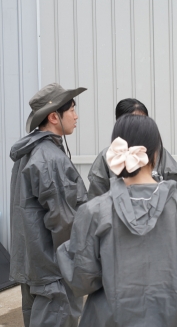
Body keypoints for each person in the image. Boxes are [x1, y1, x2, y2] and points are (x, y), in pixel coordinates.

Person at [56, 114, 177, 327]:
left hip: (107, 319)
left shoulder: (94, 211)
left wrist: (64, 251)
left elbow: (81, 279)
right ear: (156, 152)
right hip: (171, 317)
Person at [9, 83, 87, 327]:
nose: (76, 116)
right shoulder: (50, 158)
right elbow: (64, 221)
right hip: (54, 272)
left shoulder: (30, 151)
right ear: (54, 117)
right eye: (72, 109)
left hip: (33, 268)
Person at [87, 98, 177, 199]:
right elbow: (97, 193)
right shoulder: (107, 155)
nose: (139, 126)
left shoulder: (157, 151)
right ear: (119, 123)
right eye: (133, 121)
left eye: (143, 121)